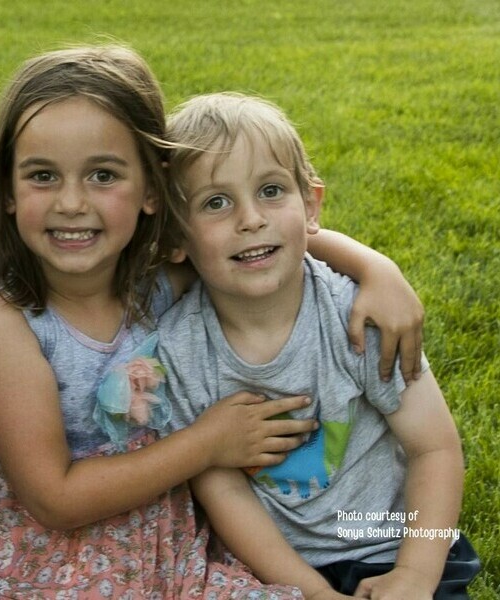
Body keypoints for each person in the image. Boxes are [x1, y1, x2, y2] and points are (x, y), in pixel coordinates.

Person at [0, 44, 427, 597]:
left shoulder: (161, 281)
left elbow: (270, 245)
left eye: (102, 174)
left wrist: (376, 269)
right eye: (42, 176)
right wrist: (205, 444)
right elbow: (54, 498)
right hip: (38, 549)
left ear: (152, 191)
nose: (71, 202)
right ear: (7, 190)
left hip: (161, 532)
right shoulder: (5, 320)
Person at [159, 92, 478, 599]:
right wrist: (310, 591)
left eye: (270, 190)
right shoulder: (178, 350)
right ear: (175, 238)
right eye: (216, 202)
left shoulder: (357, 314)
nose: (250, 219)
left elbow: (434, 447)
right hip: (267, 565)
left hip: (390, 545)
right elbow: (221, 486)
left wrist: (416, 574)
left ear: (310, 206)